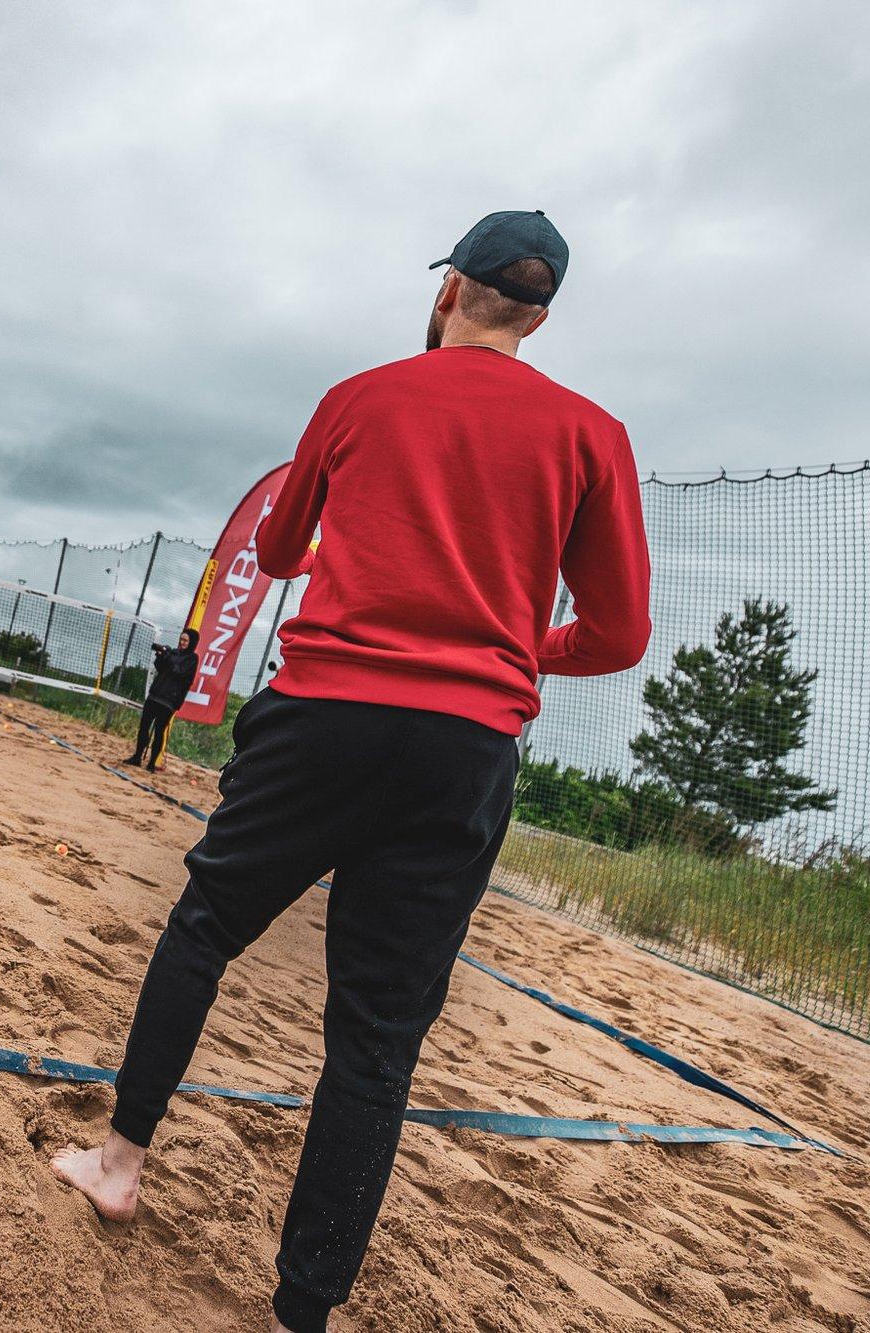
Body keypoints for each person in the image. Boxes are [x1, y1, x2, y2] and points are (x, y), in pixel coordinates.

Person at [52, 211, 652, 1333]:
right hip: (464, 742)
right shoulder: (591, 432)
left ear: (446, 294)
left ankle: (119, 1160)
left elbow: (276, 554)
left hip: (326, 708)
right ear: (538, 313)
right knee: (375, 1036)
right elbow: (617, 634)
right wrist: (522, 646)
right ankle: (300, 1312)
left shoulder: (361, 395)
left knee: (203, 926)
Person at [125, 629, 197, 770]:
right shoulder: (174, 653)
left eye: (185, 640)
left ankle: (152, 763)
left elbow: (179, 672)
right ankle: (137, 756)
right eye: (181, 639)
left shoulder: (192, 659)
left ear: (191, 642)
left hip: (169, 701)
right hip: (155, 694)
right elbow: (161, 668)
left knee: (159, 731)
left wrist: (168, 657)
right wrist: (161, 656)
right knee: (144, 727)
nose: (182, 643)